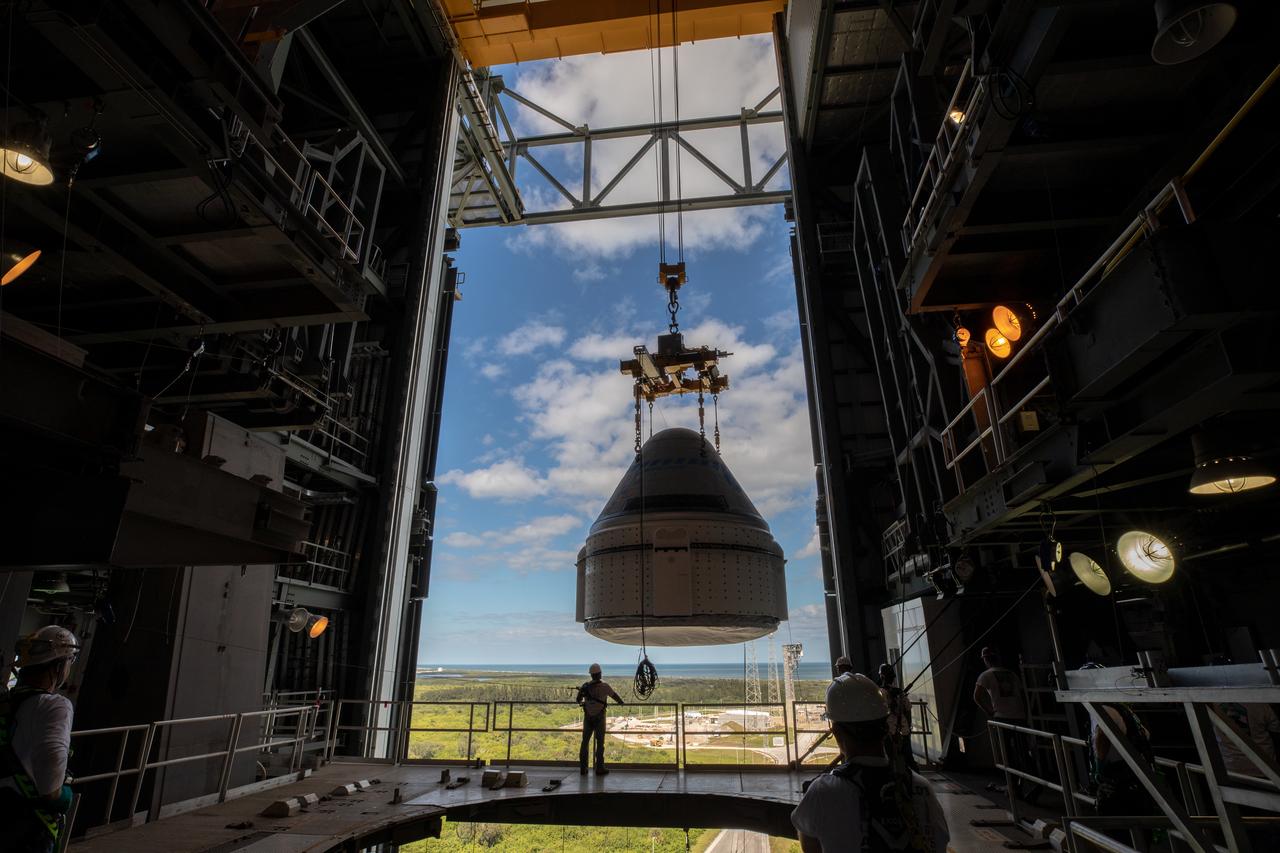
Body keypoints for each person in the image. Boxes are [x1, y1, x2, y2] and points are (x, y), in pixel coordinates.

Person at [792, 673, 949, 852]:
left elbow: (810, 842)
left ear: (836, 732)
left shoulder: (823, 792)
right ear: (884, 728)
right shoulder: (922, 788)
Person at [1, 625, 80, 853]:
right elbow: (52, 756)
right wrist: (58, 795)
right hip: (25, 826)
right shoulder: (55, 705)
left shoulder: (6, 703)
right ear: (59, 666)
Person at [973, 646, 1039, 803]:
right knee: (1023, 751)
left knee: (1007, 754)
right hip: (1020, 717)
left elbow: (976, 697)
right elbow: (1021, 696)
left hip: (1002, 718)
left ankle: (1014, 787)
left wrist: (990, 711)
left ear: (986, 659)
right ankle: (1031, 782)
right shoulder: (1012, 674)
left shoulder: (985, 675)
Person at [575, 662, 623, 776]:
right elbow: (615, 696)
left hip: (588, 717)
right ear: (600, 674)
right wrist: (621, 702)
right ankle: (599, 768)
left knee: (585, 742)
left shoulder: (585, 686)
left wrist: (586, 701)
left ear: (591, 675)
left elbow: (578, 700)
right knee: (600, 743)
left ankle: (583, 768)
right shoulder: (605, 686)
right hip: (600, 717)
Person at [878, 663, 916, 770]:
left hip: (889, 733)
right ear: (893, 677)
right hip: (903, 730)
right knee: (908, 759)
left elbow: (880, 713)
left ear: (882, 676)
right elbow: (908, 709)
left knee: (890, 761)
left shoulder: (881, 693)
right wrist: (908, 727)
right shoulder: (900, 692)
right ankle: (914, 782)